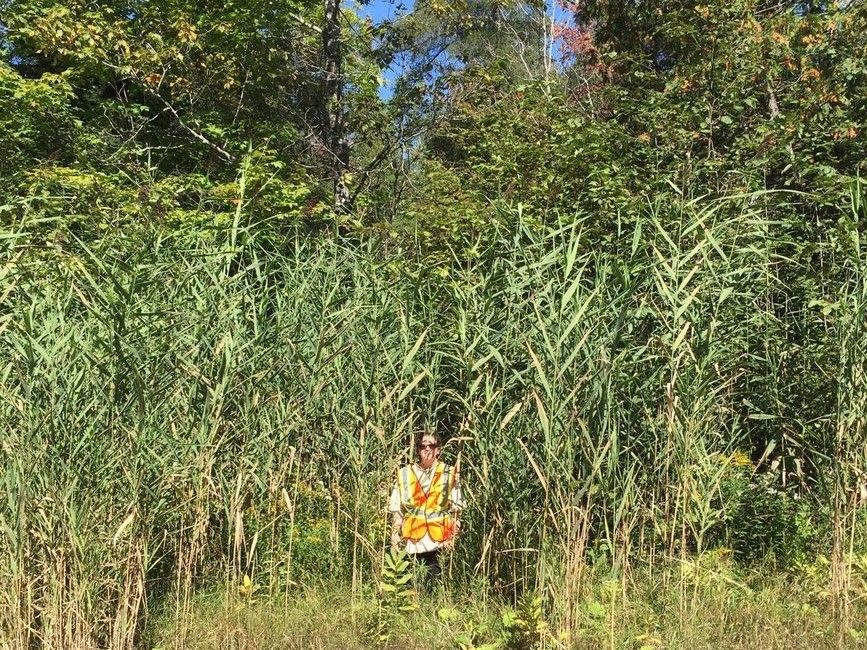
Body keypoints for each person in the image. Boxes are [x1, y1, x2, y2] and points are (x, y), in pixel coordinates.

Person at [388, 430, 464, 583]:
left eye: (432, 445)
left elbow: (457, 510)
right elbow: (397, 509)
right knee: (411, 587)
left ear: (438, 449)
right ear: (418, 449)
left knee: (435, 586)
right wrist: (395, 535)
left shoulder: (449, 473)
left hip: (439, 541)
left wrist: (452, 537)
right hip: (412, 541)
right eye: (423, 446)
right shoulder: (404, 473)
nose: (427, 449)